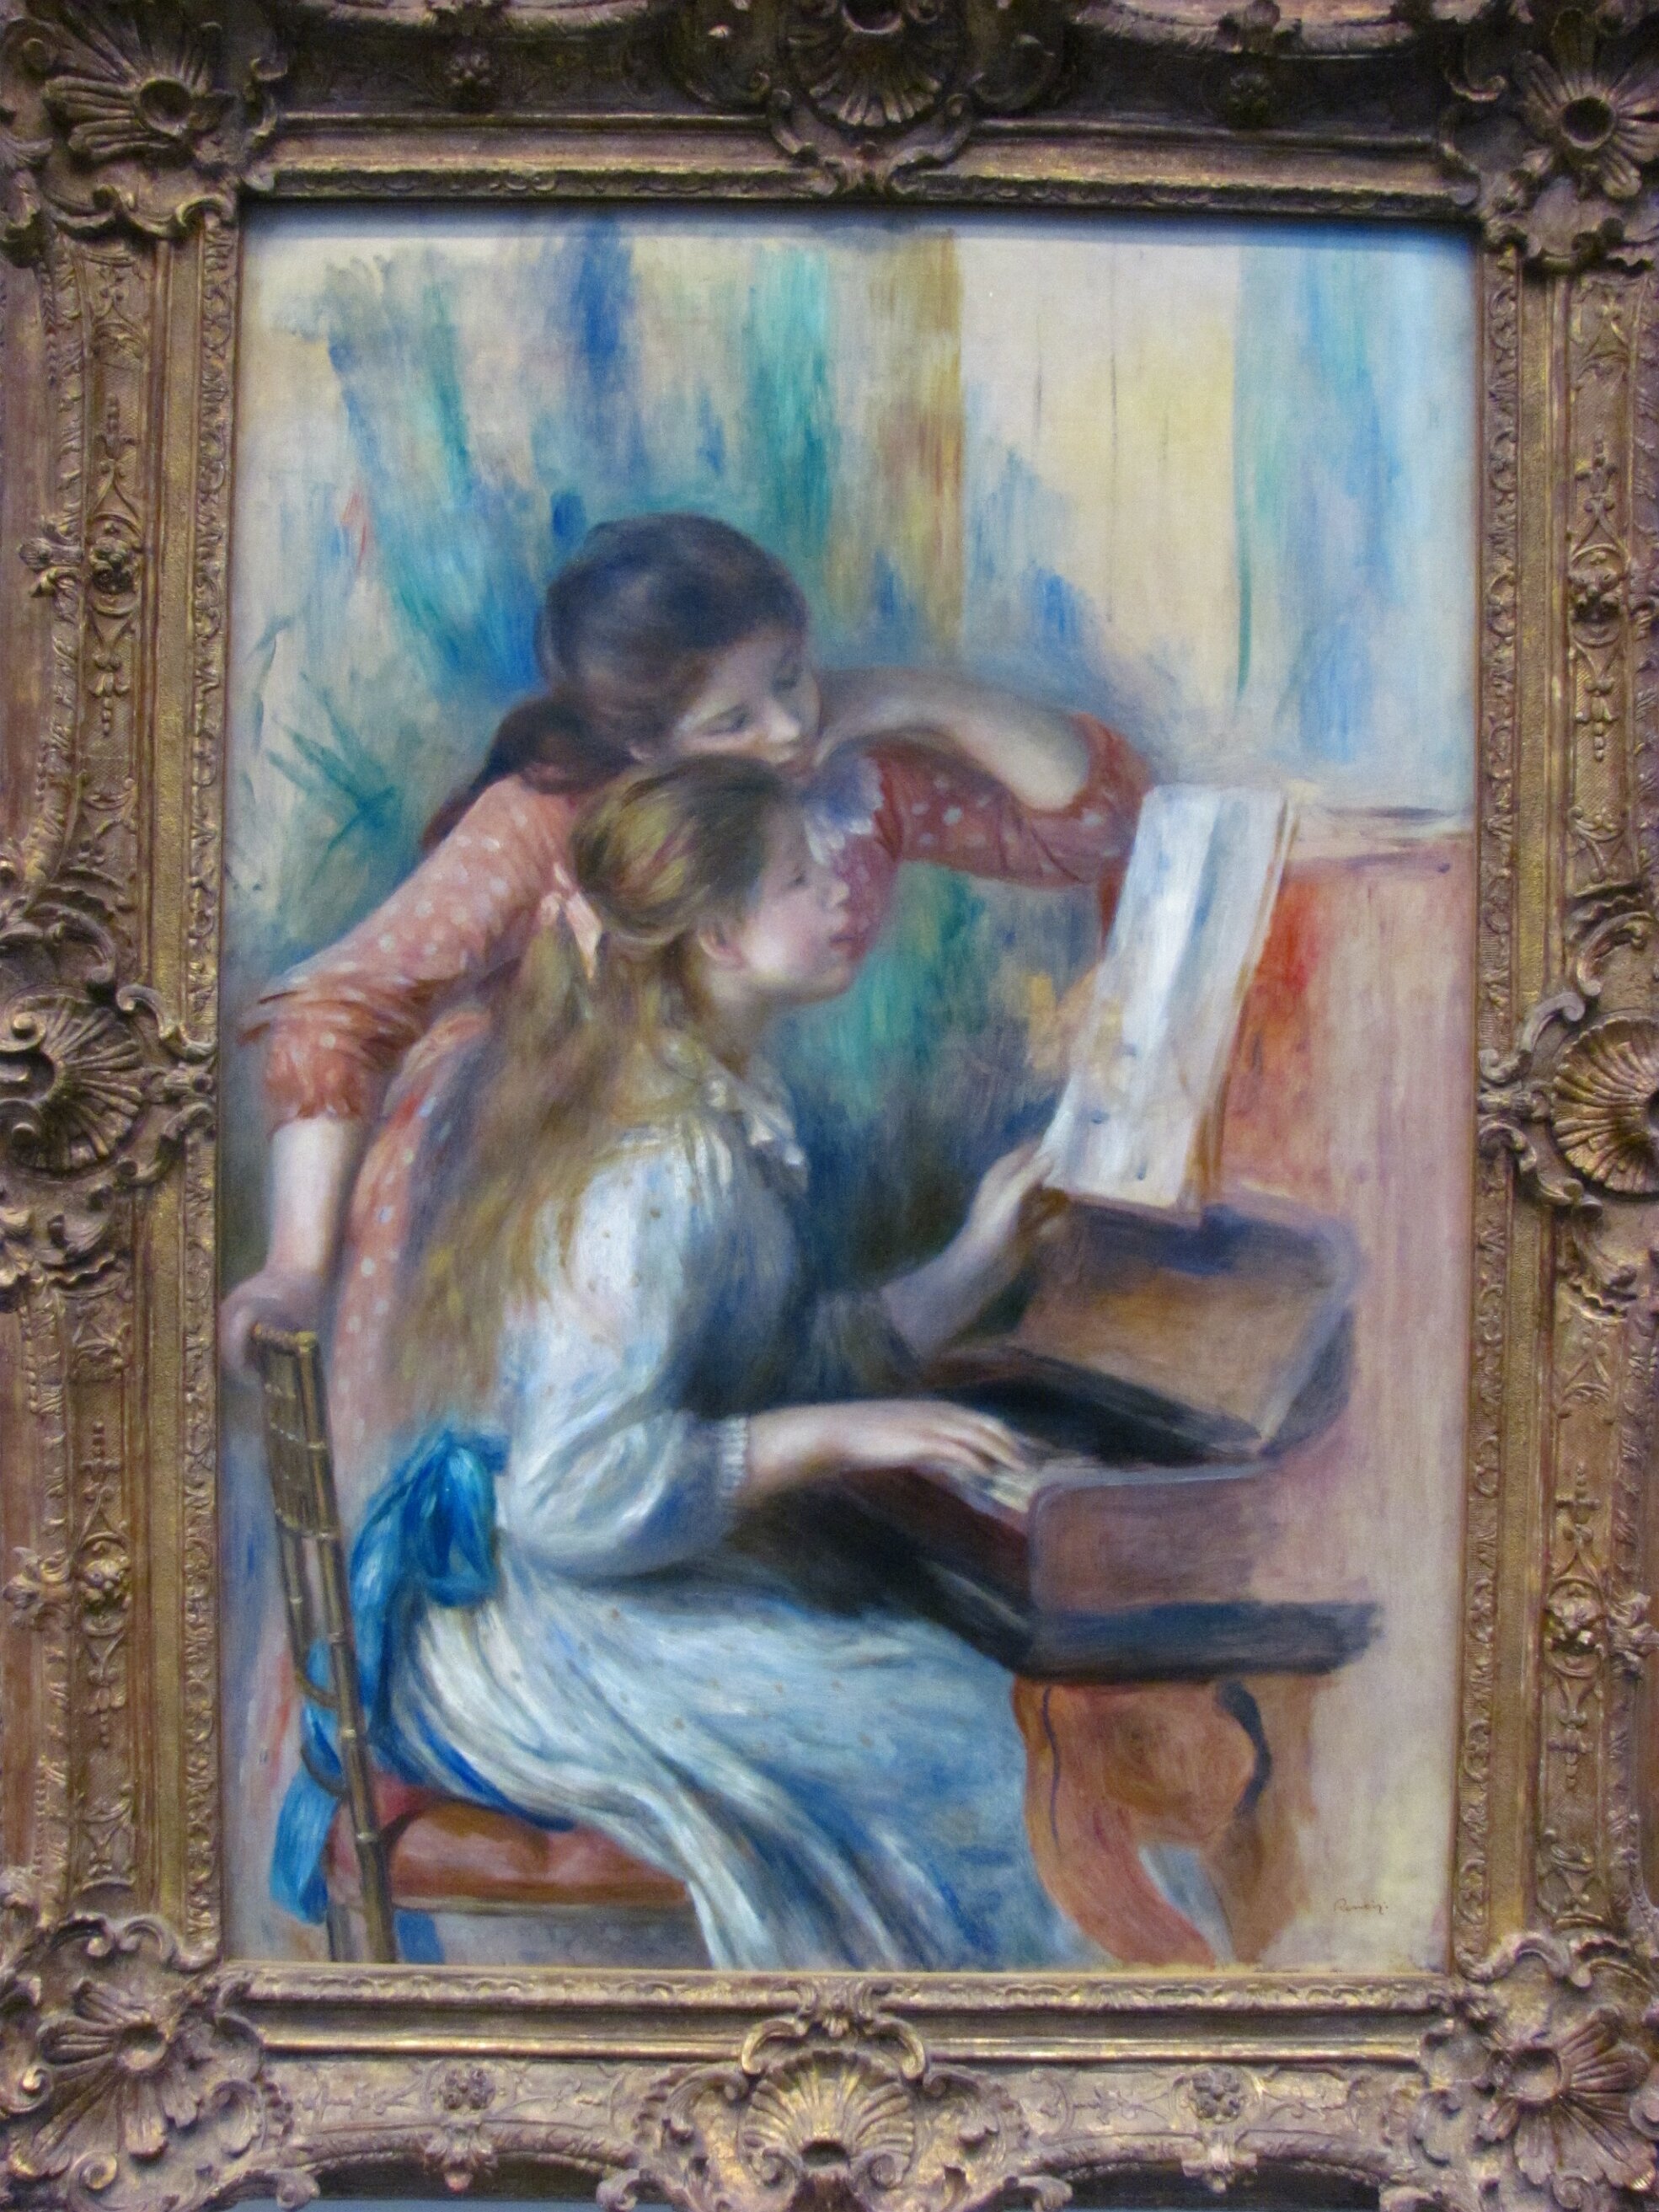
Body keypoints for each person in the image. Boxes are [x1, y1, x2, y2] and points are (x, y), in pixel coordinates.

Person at [274, 757, 1103, 1971]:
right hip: (545, 1631)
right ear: (716, 935)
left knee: (961, 1693)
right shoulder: (659, 1165)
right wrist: (846, 1433)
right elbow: (575, 1496)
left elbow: (770, 1363)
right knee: (956, 1735)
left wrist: (978, 1256)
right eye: (801, 878)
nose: (843, 889)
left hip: (599, 1587)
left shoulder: (714, 1101)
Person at [223, 513, 1148, 1516]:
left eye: (791, 677)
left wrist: (899, 694)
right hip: (499, 1194)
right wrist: (296, 1266)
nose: (786, 730)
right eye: (730, 720)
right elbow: (340, 1011)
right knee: (498, 1509)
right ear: (644, 744)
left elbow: (1096, 826)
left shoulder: (827, 775)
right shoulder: (556, 817)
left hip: (688, 1187)